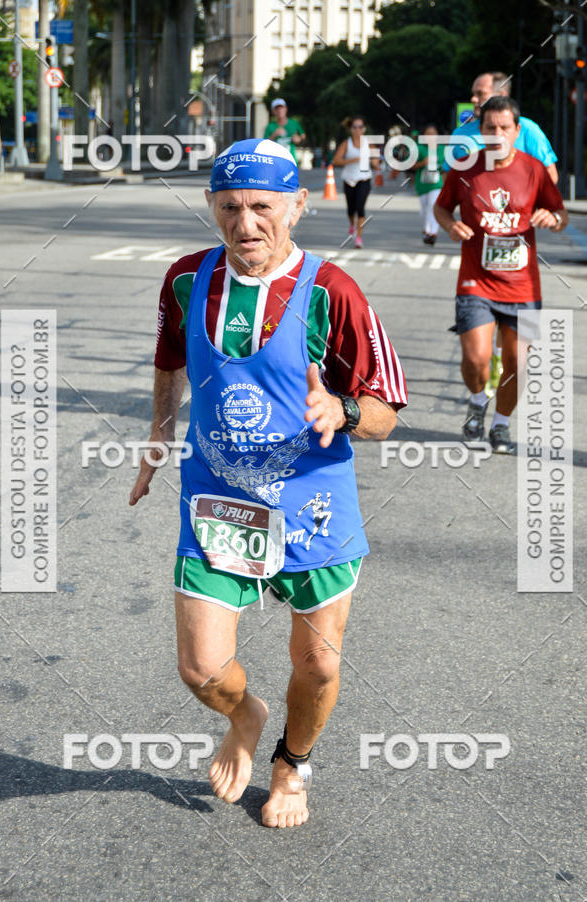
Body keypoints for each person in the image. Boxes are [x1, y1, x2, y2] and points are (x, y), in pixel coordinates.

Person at [129, 138, 407, 829]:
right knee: (201, 669)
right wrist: (159, 435)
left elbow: (386, 413)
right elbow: (170, 358)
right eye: (229, 207)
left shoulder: (333, 292)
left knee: (317, 664)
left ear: (298, 205)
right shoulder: (187, 280)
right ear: (210, 205)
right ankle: (247, 715)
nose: (245, 223)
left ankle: (292, 763)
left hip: (313, 507)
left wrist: (342, 411)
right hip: (219, 502)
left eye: (262, 206)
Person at [434, 96, 567, 454]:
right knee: (476, 359)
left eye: (504, 128)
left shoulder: (533, 170)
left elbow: (560, 213)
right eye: (490, 127)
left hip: (523, 286)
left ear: (516, 130)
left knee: (517, 363)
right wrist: (450, 226)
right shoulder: (464, 168)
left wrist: (553, 218)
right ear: (481, 130)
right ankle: (478, 399)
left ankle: (501, 424)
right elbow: (442, 207)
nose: (497, 134)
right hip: (476, 281)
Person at [332, 115, 380, 248]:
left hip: (364, 179)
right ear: (351, 129)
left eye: (360, 127)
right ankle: (352, 224)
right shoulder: (346, 143)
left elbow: (375, 162)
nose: (357, 129)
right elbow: (336, 160)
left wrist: (375, 162)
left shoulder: (369, 143)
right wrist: (353, 160)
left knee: (360, 208)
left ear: (364, 129)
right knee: (351, 209)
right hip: (349, 179)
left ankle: (358, 238)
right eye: (355, 127)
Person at [409, 124, 446, 245]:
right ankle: (426, 229)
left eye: (433, 133)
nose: (431, 136)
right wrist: (422, 163)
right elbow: (411, 166)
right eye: (428, 134)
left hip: (437, 184)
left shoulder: (442, 149)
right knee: (425, 209)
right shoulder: (420, 148)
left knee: (432, 206)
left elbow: (446, 168)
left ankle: (432, 232)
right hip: (422, 184)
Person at [263, 98, 306, 162]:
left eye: (281, 108)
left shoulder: (294, 123)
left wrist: (299, 139)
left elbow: (303, 136)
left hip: (291, 160)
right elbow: (264, 144)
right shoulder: (270, 126)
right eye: (277, 109)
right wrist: (274, 135)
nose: (279, 110)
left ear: (286, 109)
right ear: (273, 111)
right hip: (276, 161)